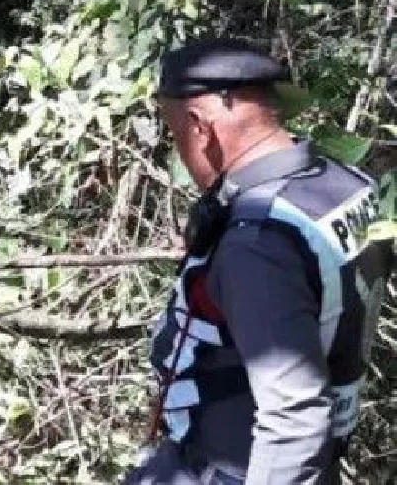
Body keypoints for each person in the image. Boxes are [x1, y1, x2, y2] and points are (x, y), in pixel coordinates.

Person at [126, 39, 393, 485]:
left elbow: (295, 420)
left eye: (175, 137)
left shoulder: (257, 242)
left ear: (199, 126)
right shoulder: (347, 185)